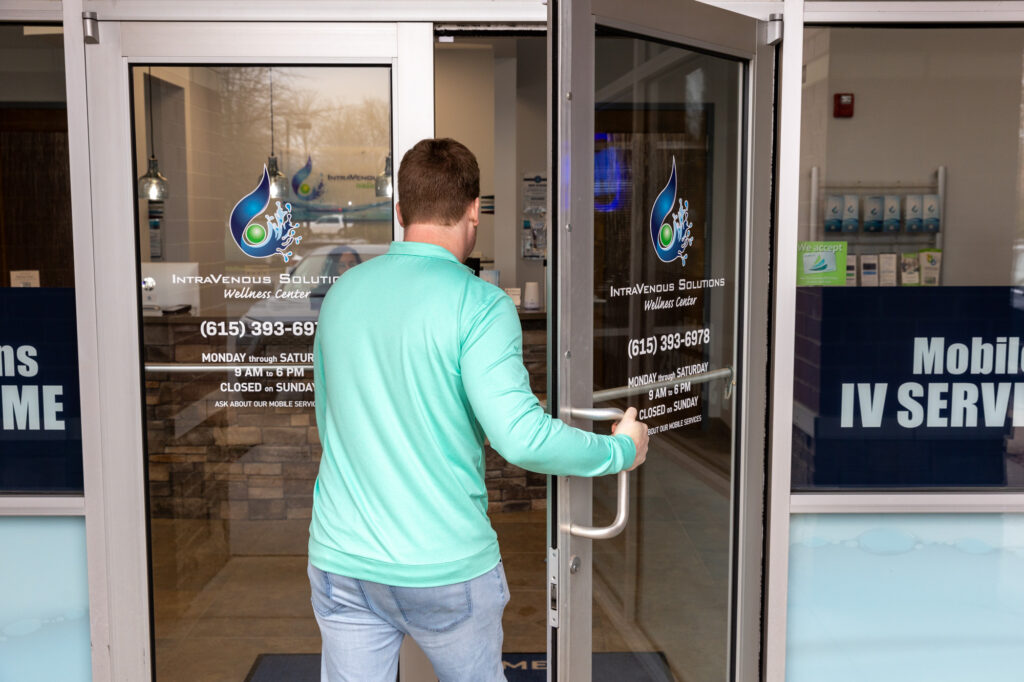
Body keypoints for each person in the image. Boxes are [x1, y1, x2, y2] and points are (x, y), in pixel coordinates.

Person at [308, 138, 649, 682]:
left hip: (342, 559)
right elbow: (520, 438)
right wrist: (620, 450)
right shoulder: (480, 303)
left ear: (400, 212)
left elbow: (331, 420)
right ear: (474, 210)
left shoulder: (343, 292)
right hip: (444, 563)